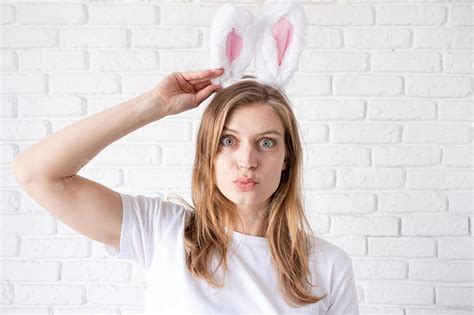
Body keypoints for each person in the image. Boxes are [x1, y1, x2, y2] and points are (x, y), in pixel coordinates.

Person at [11, 68, 359, 314]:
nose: (247, 161)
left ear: (286, 158)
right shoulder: (163, 232)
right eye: (228, 141)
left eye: (266, 142)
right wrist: (153, 106)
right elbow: (35, 173)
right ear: (208, 153)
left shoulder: (327, 266)